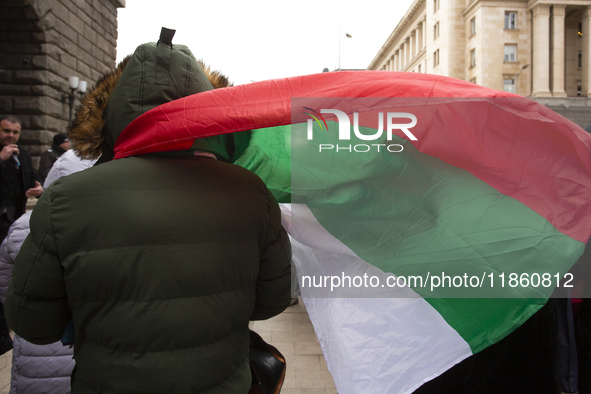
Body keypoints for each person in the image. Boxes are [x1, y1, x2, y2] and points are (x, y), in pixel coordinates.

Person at [5, 30, 292, 394]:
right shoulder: (252, 193)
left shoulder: (66, 198)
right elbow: (273, 299)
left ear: (113, 113)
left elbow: (33, 321)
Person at [0, 116, 43, 242]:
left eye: (15, 132)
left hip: (14, 214)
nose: (10, 135)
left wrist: (39, 188)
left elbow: (32, 177)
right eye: (6, 131)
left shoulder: (23, 154)